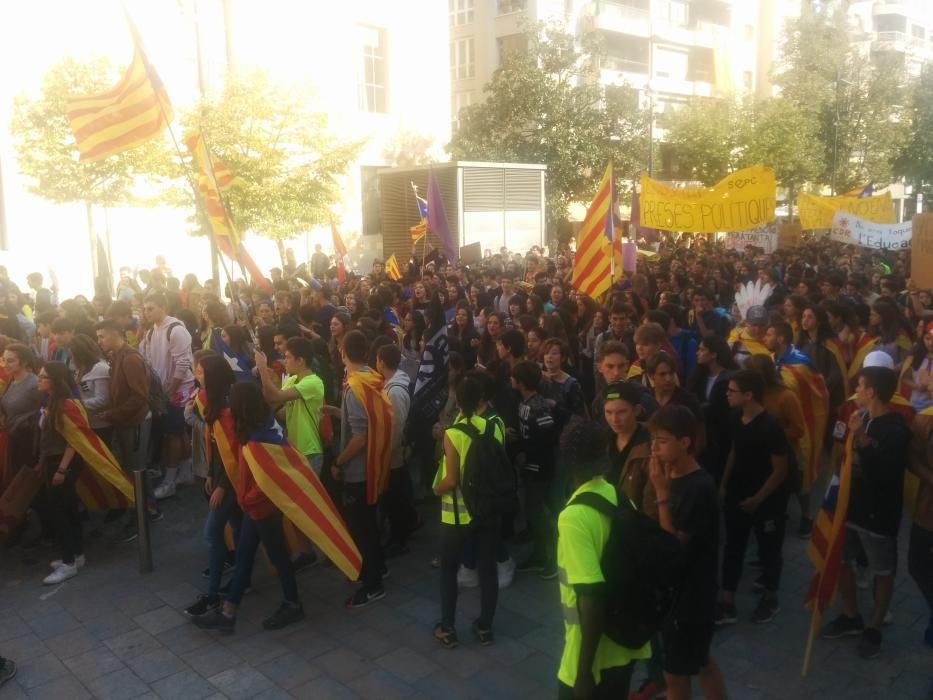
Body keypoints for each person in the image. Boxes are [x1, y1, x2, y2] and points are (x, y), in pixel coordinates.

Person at [193, 381, 304, 633]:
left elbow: (268, 477)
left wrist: (247, 499)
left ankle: (293, 605)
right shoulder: (263, 425)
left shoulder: (258, 436)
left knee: (278, 556)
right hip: (257, 506)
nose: (229, 404)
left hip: (262, 507)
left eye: (233, 400)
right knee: (244, 557)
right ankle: (228, 614)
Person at [822, 365, 912, 659]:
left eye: (860, 386)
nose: (856, 391)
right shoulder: (860, 418)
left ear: (872, 391)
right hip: (852, 508)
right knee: (844, 560)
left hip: (878, 513)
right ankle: (851, 615)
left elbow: (884, 472)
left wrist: (861, 439)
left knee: (882, 571)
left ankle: (874, 627)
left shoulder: (896, 429)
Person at [557, 418, 650, 699]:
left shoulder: (573, 517)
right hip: (625, 644)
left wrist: (584, 673)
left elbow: (592, 595)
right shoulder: (617, 496)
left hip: (591, 655)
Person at [647, 406, 727, 700]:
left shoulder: (698, 487)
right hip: (681, 593)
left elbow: (674, 548)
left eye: (663, 441)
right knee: (701, 661)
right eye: (653, 440)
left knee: (675, 673)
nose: (654, 448)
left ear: (685, 442)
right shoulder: (672, 475)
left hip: (690, 596)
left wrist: (661, 494)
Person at [432, 374, 502, 648]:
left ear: (459, 402)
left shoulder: (454, 433)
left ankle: (447, 627)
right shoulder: (494, 426)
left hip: (458, 512)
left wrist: (436, 490)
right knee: (488, 568)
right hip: (487, 508)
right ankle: (485, 626)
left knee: (449, 568)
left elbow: (451, 479)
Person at [717, 369, 789, 626]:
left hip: (767, 501)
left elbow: (780, 470)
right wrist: (724, 483)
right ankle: (727, 601)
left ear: (748, 395)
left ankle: (770, 598)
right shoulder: (735, 418)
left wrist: (758, 499)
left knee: (769, 549)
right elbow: (734, 452)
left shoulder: (771, 427)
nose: (727, 394)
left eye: (732, 391)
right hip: (739, 493)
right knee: (734, 547)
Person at [328, 329, 392, 607]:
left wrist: (338, 461)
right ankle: (379, 568)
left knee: (361, 527)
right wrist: (336, 412)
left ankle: (372, 583)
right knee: (369, 524)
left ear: (343, 354)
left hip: (357, 470)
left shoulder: (355, 387)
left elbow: (360, 436)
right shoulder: (371, 379)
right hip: (375, 464)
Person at [183, 354, 239, 617]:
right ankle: (237, 582)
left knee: (212, 532)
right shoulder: (211, 402)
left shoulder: (226, 407)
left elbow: (234, 453)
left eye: (202, 371)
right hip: (219, 478)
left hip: (231, 482)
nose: (197, 374)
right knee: (238, 531)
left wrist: (222, 485)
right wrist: (209, 475)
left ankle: (214, 593)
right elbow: (216, 449)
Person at [141, 292, 195, 499]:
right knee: (177, 432)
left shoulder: (176, 329)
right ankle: (185, 471)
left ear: (163, 307)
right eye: (145, 309)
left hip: (179, 391)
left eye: (151, 308)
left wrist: (169, 391)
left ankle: (170, 481)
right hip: (163, 392)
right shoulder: (150, 332)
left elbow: (182, 364)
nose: (146, 313)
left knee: (173, 434)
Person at [511, 360, 560, 579]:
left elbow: (546, 439)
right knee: (534, 513)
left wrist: (526, 454)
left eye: (513, 378)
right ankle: (539, 555)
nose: (510, 380)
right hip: (530, 467)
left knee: (542, 516)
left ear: (520, 382)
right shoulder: (524, 402)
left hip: (539, 469)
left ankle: (552, 560)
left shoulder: (538, 407)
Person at [255, 337, 325, 476]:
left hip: (309, 450)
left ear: (300, 361)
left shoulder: (313, 382)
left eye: (288, 357)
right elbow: (272, 401)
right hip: (294, 448)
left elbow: (275, 397)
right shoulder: (293, 379)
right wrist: (269, 380)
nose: (284, 360)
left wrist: (262, 369)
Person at [376, 344, 418, 558]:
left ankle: (399, 538)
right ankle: (408, 524)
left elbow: (396, 426)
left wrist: (386, 452)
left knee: (396, 497)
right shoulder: (391, 384)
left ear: (381, 362)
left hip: (394, 455)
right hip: (394, 453)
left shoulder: (394, 391)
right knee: (400, 492)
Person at [68, 334, 112, 444]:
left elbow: (103, 399)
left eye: (73, 355)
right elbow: (86, 391)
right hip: (87, 421)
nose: (72, 359)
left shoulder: (100, 369)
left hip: (100, 424)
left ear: (81, 354)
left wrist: (78, 404)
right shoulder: (82, 368)